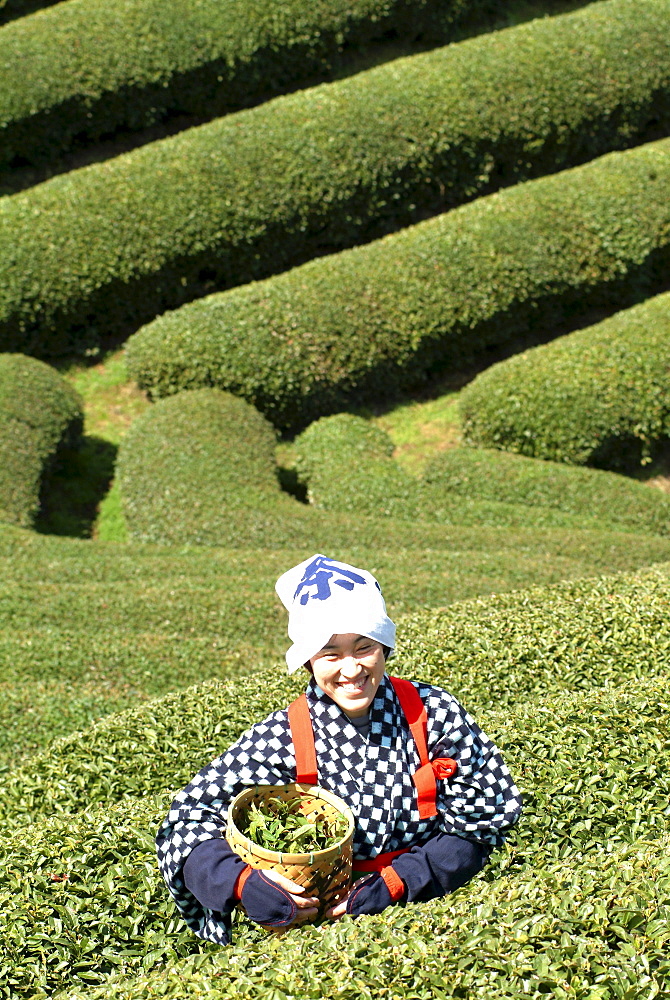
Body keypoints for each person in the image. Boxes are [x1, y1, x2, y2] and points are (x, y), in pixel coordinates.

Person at [156, 554, 522, 945]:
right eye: (330, 653)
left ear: (384, 647)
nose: (351, 670)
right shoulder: (285, 735)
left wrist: (400, 882)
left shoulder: (433, 712)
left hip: (431, 910)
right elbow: (186, 821)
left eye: (364, 648)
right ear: (309, 662)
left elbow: (485, 822)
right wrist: (242, 884)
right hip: (314, 930)